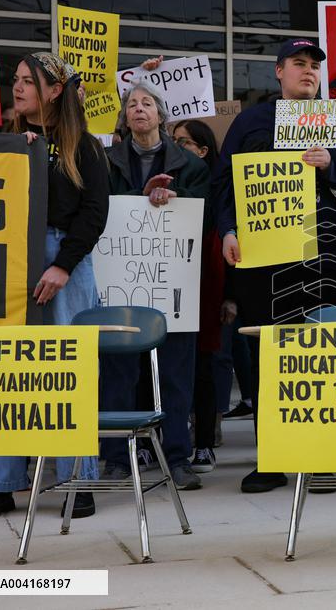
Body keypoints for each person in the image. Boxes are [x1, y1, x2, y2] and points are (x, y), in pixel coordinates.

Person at [213, 38, 336, 493]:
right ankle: (274, 457)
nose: (309, 73)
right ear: (278, 71)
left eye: (315, 67)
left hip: (323, 252)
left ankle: (319, 457)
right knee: (268, 354)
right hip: (263, 257)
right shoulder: (251, 121)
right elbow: (225, 184)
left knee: (318, 352)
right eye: (299, 64)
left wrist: (331, 168)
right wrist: (228, 230)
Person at [0, 52, 109, 520]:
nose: (18, 87)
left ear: (54, 90)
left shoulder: (83, 145)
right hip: (12, 257)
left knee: (68, 370)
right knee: (7, 368)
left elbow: (94, 213)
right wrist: (17, 155)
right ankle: (1, 483)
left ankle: (77, 480)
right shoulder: (7, 143)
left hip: (63, 258)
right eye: (16, 80)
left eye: (29, 81)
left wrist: (63, 265)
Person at [99, 81, 209, 491]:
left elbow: (204, 215)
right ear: (125, 117)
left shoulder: (190, 164)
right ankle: (115, 458)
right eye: (132, 104)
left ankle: (178, 458)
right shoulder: (106, 160)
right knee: (119, 371)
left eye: (147, 103)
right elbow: (102, 209)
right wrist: (140, 196)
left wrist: (173, 197)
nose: (139, 109)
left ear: (161, 116)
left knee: (177, 375)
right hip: (122, 284)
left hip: (173, 285)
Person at [173, 118, 228, 472]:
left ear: (203, 151)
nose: (176, 147)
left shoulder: (216, 189)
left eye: (185, 143)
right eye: (173, 140)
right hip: (170, 277)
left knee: (204, 364)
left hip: (207, 279)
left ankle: (204, 442)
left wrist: (229, 297)